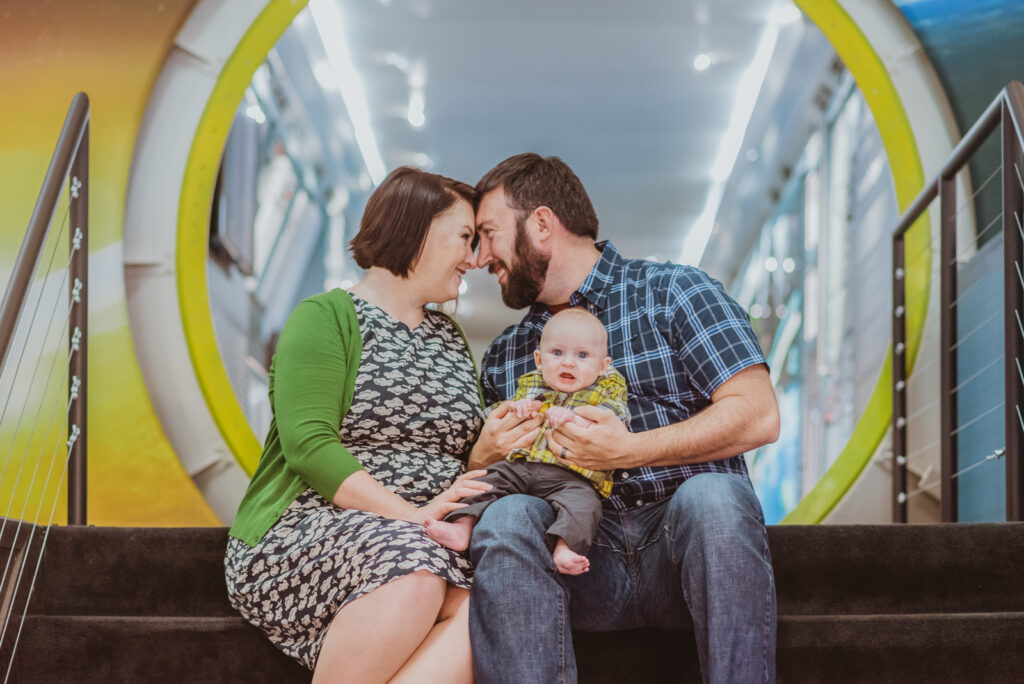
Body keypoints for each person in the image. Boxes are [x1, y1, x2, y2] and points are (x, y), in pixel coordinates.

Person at [467, 153, 780, 684]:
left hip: (683, 548)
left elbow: (758, 416)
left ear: (541, 224)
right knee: (505, 516)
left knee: (715, 497)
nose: (479, 258)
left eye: (488, 234)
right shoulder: (507, 354)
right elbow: (489, 472)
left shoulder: (677, 292)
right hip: (578, 559)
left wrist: (629, 451)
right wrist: (482, 453)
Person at [224, 166, 492, 684]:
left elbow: (460, 456)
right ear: (416, 229)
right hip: (309, 529)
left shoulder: (450, 338)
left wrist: (493, 446)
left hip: (426, 535)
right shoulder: (325, 316)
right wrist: (415, 518)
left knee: (494, 604)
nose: (474, 258)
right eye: (465, 237)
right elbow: (310, 447)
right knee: (416, 574)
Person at [425, 307, 630, 575]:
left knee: (585, 505)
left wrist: (572, 418)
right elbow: (498, 415)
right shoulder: (532, 384)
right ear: (539, 359)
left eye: (582, 355)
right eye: (557, 353)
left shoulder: (606, 391)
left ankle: (566, 548)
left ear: (603, 366)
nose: (568, 362)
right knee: (484, 481)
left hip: (572, 477)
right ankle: (461, 526)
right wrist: (517, 407)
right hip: (520, 466)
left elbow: (613, 423)